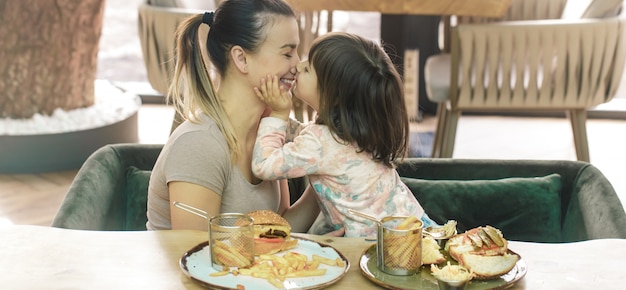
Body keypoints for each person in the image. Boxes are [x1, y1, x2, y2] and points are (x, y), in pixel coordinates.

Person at [146, 0, 320, 232]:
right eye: (287, 53)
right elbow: (196, 256)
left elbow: (278, 229)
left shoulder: (268, 130)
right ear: (241, 59)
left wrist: (326, 174)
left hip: (246, 267)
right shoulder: (199, 145)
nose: (298, 64)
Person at [251, 32, 438, 238]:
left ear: (334, 95)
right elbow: (308, 139)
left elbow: (264, 165)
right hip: (416, 228)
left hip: (390, 246)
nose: (298, 66)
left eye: (308, 68)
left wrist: (277, 116)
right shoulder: (358, 129)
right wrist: (276, 119)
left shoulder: (321, 142)